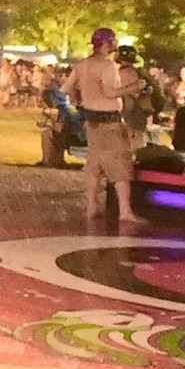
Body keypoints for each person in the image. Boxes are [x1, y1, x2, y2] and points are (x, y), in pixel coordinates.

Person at [68, 27, 140, 227]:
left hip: (91, 122)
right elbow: (110, 93)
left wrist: (81, 104)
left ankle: (91, 206)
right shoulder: (107, 66)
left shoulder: (82, 65)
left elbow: (68, 88)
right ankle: (125, 211)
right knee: (120, 166)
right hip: (109, 122)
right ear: (108, 43)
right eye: (114, 41)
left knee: (94, 164)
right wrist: (134, 87)